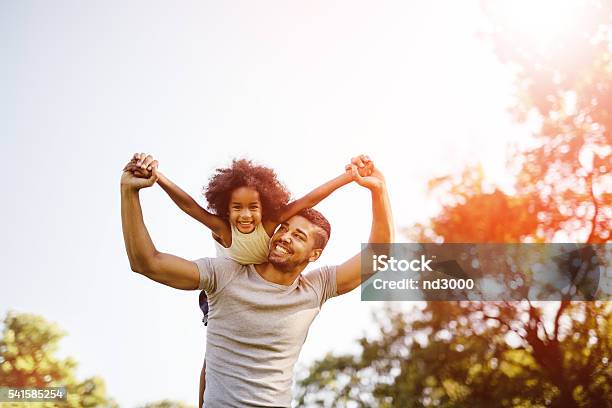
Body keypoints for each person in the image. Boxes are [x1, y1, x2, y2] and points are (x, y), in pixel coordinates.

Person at [121, 154, 393, 407]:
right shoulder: (225, 274)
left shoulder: (315, 287)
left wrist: (378, 191)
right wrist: (129, 192)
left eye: (299, 236)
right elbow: (147, 262)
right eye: (284, 228)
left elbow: (379, 257)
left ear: (315, 254)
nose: (285, 236)